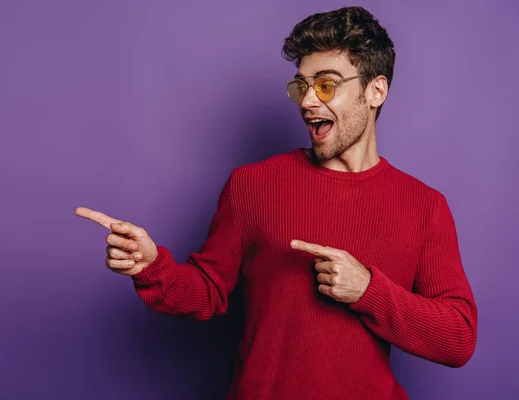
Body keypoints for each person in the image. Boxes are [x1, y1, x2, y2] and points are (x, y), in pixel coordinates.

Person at [75, 6, 477, 399]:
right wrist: (151, 267)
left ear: (375, 91)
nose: (307, 102)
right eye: (302, 86)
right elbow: (208, 291)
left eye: (326, 85)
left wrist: (368, 290)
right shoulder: (253, 185)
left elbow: (458, 339)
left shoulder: (425, 207)